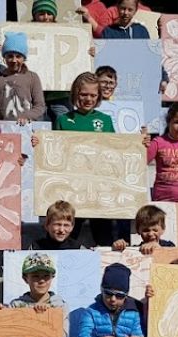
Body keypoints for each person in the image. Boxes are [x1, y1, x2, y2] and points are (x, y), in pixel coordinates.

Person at [56, 72, 123, 247]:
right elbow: (55, 152)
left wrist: (142, 142)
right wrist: (38, 142)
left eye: (93, 95)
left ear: (99, 96)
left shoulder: (105, 120)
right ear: (75, 94)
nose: (88, 99)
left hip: (100, 189)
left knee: (104, 235)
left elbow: (115, 151)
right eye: (84, 94)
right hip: (73, 188)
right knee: (71, 232)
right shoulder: (64, 120)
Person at [0, 32, 46, 125]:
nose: (14, 60)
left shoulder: (32, 77)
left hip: (27, 127)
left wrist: (26, 116)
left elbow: (39, 106)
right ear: (4, 57)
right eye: (10, 56)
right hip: (1, 128)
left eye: (18, 56)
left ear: (24, 58)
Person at [74, 263, 144, 337]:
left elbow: (139, 333)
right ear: (101, 290)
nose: (113, 299)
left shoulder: (133, 313)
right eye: (108, 293)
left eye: (119, 295)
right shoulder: (91, 312)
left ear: (126, 295)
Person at [112, 205, 177, 254]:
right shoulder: (135, 249)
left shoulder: (170, 245)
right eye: (146, 230)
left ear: (163, 229)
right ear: (138, 230)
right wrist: (118, 246)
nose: (151, 234)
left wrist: (159, 248)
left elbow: (175, 257)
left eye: (155, 230)